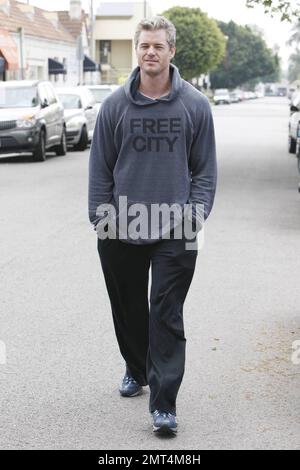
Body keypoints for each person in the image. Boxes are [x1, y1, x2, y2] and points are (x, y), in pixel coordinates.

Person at [88, 16, 217, 435]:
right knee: (128, 311)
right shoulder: (114, 106)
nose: (150, 52)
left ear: (171, 51)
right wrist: (100, 216)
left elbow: (205, 171)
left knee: (166, 314)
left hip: (176, 230)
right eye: (144, 45)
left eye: (158, 46)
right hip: (119, 226)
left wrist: (194, 216)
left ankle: (164, 404)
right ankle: (135, 367)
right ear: (137, 49)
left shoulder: (194, 105)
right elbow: (100, 169)